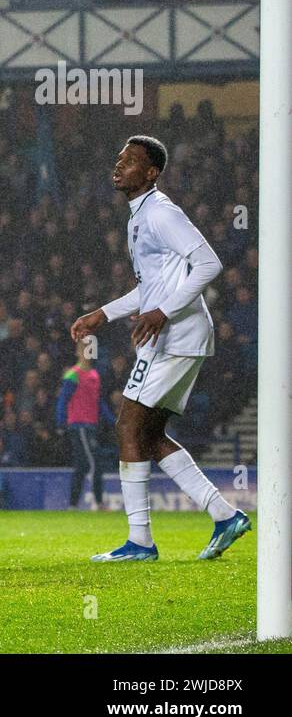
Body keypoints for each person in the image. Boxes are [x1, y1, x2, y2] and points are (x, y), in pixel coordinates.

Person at [70, 136, 248, 561]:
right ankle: (224, 515)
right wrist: (103, 313)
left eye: (131, 161)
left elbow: (209, 263)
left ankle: (140, 542)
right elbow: (150, 287)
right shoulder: (141, 215)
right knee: (148, 435)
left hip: (174, 336)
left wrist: (163, 312)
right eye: (119, 158)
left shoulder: (161, 212)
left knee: (129, 426)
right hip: (176, 335)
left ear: (151, 173)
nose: (120, 165)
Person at [56, 341, 116, 509]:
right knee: (95, 462)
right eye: (84, 349)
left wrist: (112, 421)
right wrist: (60, 423)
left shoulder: (95, 375)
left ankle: (73, 505)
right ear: (78, 351)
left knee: (81, 465)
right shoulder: (72, 375)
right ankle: (99, 502)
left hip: (90, 425)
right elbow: (63, 400)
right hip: (79, 425)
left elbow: (98, 402)